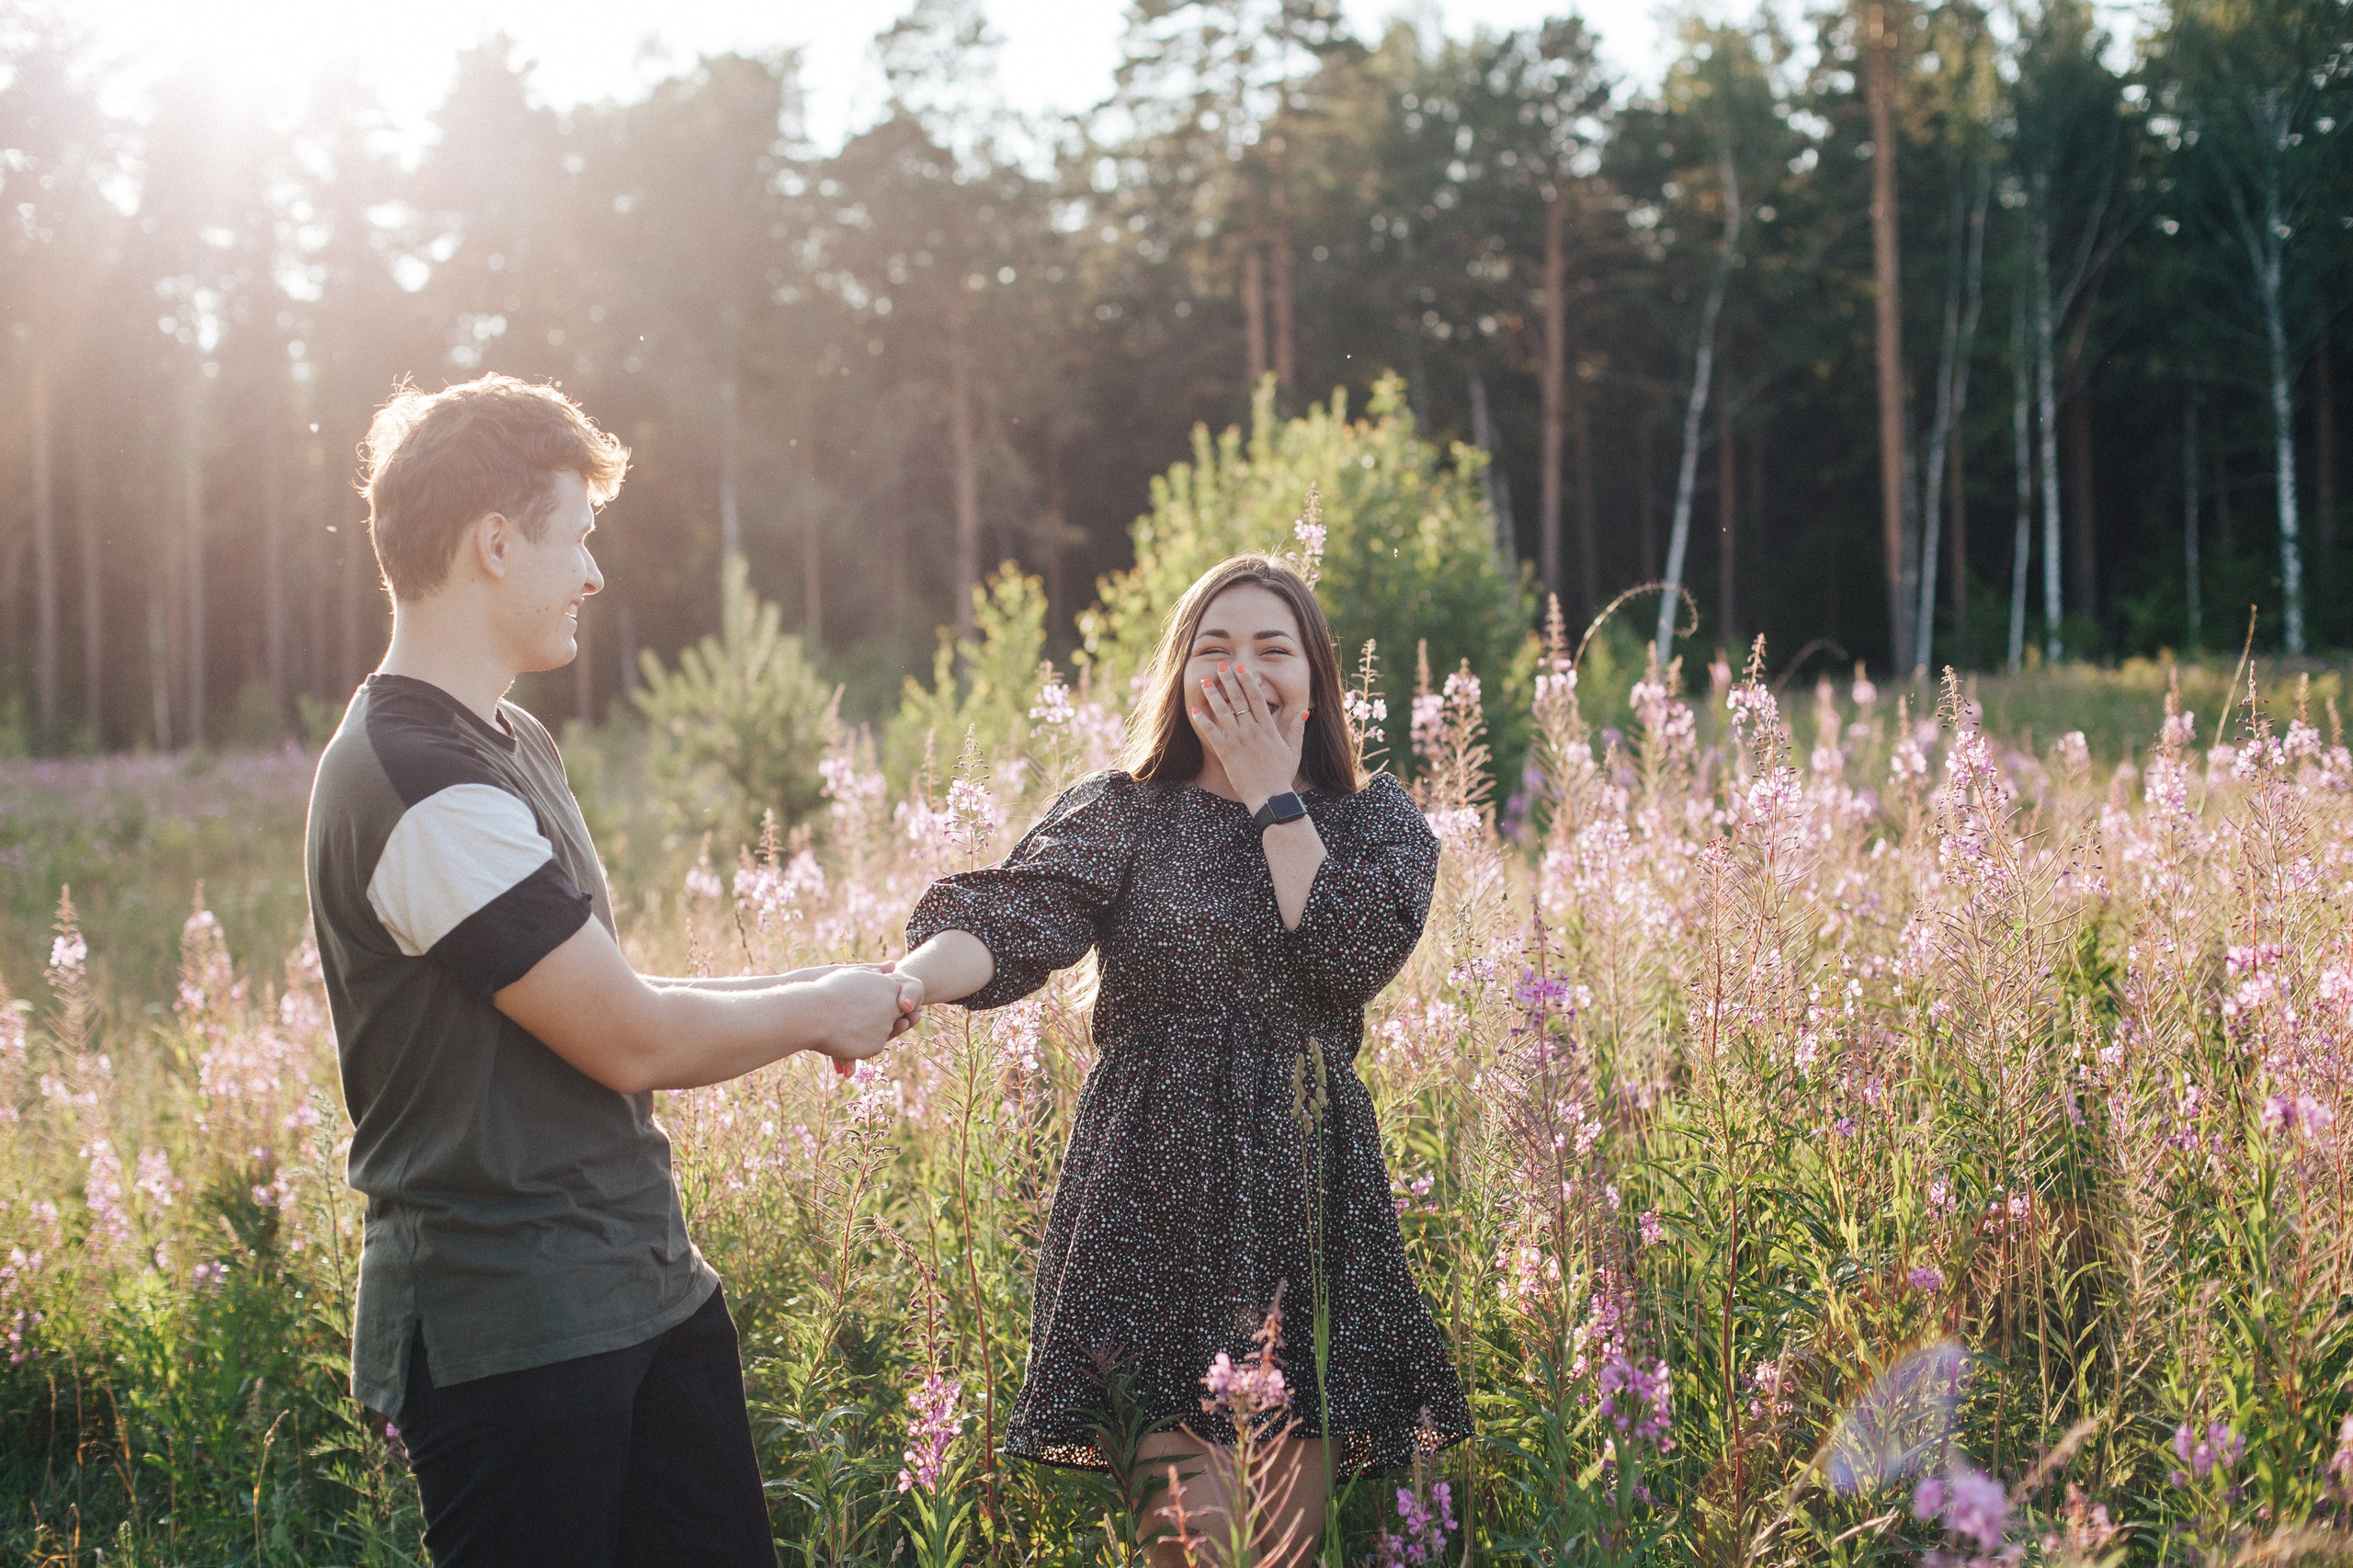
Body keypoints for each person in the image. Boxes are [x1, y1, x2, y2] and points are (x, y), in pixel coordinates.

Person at [304, 373, 920, 1568]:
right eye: (576, 538)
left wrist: (825, 985)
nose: (593, 574)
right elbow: (629, 1039)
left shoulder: (509, 739)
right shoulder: (416, 779)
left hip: (643, 1285)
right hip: (517, 1331)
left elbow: (597, 991)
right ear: (494, 545)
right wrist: (816, 1013)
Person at [893, 554, 1472, 1566]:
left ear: (1316, 681)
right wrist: (906, 980)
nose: (1241, 671)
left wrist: (1268, 794)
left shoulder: (1374, 823)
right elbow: (1013, 918)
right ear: (1179, 674)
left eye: (1271, 649)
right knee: (1191, 1542)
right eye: (1214, 649)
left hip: (1304, 1203)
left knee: (1278, 1547)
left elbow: (1346, 956)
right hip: (1149, 1206)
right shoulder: (1124, 811)